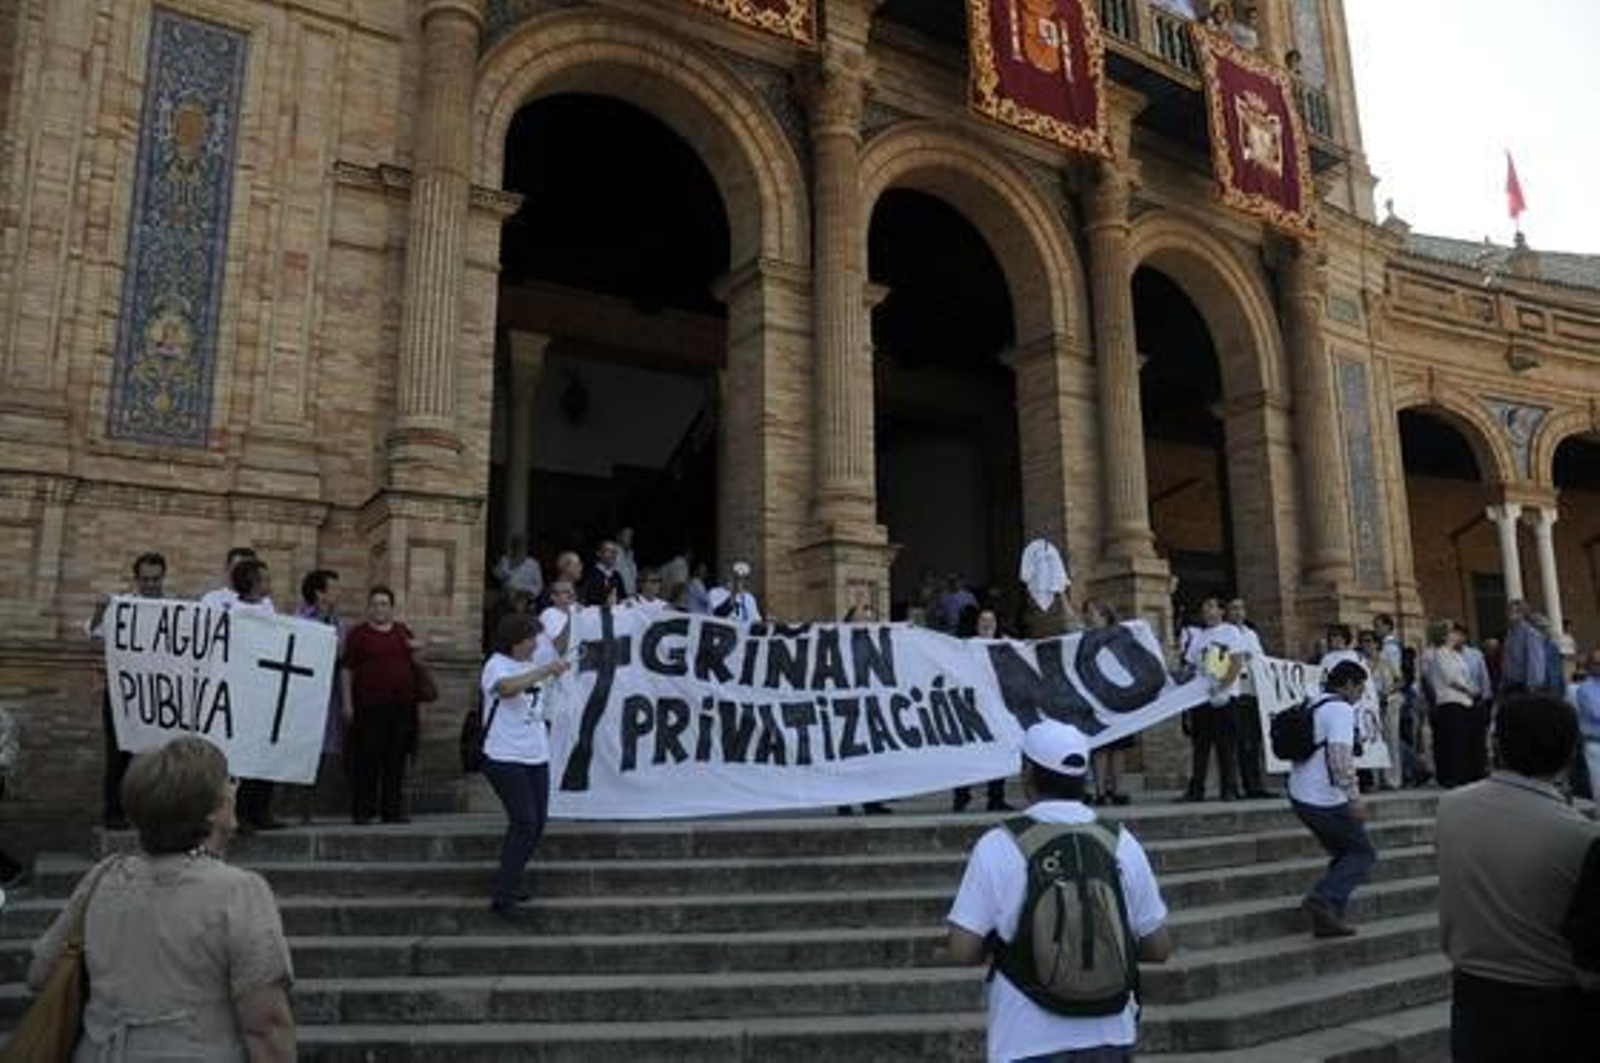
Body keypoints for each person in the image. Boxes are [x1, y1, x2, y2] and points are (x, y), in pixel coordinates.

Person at [26, 737, 295, 1060]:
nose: (235, 789)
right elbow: (267, 1025)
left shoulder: (103, 876)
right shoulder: (238, 891)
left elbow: (41, 973)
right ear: (210, 810)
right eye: (230, 780)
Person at [946, 720, 1172, 1062]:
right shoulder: (1121, 842)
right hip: (1111, 1034)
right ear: (1083, 779)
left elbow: (962, 949)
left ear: (1028, 774)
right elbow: (1158, 947)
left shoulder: (999, 844)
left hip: (1026, 1036)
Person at [1436, 693, 1600, 1061]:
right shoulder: (1581, 837)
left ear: (1496, 743)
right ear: (1569, 752)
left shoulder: (1450, 808)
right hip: (1555, 1009)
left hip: (1474, 1000)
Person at [480, 612, 571, 920]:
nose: (535, 643)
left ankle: (512, 878)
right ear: (516, 640)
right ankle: (504, 895)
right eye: (531, 637)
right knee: (524, 821)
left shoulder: (534, 664)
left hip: (536, 754)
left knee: (538, 822)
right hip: (504, 755)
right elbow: (506, 689)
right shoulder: (496, 664)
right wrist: (545, 670)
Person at [1289, 659, 1377, 938]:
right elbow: (1340, 758)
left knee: (1344, 852)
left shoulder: (1314, 702)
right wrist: (1354, 797)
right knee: (1363, 852)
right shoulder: (1340, 709)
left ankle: (1328, 919)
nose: (1362, 693)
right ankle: (1322, 899)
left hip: (1301, 792)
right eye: (1360, 687)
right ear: (1349, 684)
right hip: (1324, 797)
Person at [89, 550, 168, 829]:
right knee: (118, 754)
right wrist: (101, 608)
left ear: (163, 578)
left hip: (159, 695)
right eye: (145, 579)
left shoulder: (172, 609)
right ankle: (114, 813)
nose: (150, 584)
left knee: (157, 757)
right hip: (122, 694)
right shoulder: (121, 607)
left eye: (155, 579)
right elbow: (93, 632)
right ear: (136, 579)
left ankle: (152, 814)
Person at [340, 586, 422, 824]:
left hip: (402, 706)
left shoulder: (402, 631)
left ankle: (392, 811)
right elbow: (346, 669)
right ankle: (364, 811)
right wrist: (347, 703)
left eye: (384, 604)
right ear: (369, 607)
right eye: (375, 604)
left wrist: (418, 650)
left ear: (391, 608)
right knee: (368, 759)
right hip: (370, 706)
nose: (380, 608)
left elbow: (416, 664)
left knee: (396, 759)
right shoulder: (358, 634)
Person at [228, 558, 283, 832]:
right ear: (252, 582)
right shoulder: (234, 611)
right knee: (243, 759)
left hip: (267, 692)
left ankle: (262, 811)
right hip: (242, 695)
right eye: (265, 579)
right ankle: (240, 814)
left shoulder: (268, 609)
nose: (269, 584)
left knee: (266, 754)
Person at [290, 569, 346, 823]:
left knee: (325, 751)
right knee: (304, 748)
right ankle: (300, 805)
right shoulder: (300, 620)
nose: (337, 593)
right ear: (319, 593)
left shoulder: (338, 623)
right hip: (306, 695)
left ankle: (312, 806)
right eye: (332, 588)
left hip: (330, 694)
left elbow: (342, 657)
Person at [1182, 596, 1248, 801]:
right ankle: (1196, 789)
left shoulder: (1230, 632)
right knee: (1201, 746)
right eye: (1204, 607)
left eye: (1211, 606)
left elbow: (1236, 662)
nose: (1207, 611)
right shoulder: (1199, 636)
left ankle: (1229, 788)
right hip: (1202, 698)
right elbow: (1191, 665)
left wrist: (1222, 687)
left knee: (1226, 745)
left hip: (1226, 697)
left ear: (1221, 611)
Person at [952, 607, 1017, 814]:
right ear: (977, 624)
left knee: (1000, 752)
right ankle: (961, 796)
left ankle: (996, 798)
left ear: (996, 624)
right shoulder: (967, 646)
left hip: (997, 709)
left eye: (991, 620)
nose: (987, 623)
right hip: (973, 708)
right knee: (968, 753)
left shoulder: (1004, 646)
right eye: (983, 620)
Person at [837, 602, 895, 817]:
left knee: (874, 757)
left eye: (870, 618)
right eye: (862, 617)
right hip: (847, 706)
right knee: (848, 756)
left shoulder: (879, 640)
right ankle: (845, 802)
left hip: (873, 706)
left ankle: (872, 802)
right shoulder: (838, 640)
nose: (867, 622)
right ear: (850, 620)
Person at [1085, 600, 1137, 806]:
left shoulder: (1120, 636)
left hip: (1119, 698)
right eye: (1087, 613)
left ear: (1105, 616)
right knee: (1099, 746)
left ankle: (1116, 789)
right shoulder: (1084, 638)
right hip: (1097, 698)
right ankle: (1100, 791)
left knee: (1118, 748)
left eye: (1093, 612)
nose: (1089, 616)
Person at [1225, 596, 1274, 798]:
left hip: (1252, 692)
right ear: (1227, 612)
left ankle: (1256, 785)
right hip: (1233, 693)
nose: (1238, 612)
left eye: (1241, 608)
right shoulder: (1223, 633)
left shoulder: (1251, 634)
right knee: (1236, 742)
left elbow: (1260, 659)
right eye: (1234, 608)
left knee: (1253, 742)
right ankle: (1235, 786)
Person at [1423, 621, 1480, 788]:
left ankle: (1464, 775)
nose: (1456, 635)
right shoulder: (1441, 653)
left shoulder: (1456, 654)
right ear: (1445, 635)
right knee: (1452, 741)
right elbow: (1450, 678)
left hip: (1464, 702)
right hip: (1450, 701)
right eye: (1452, 632)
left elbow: (1466, 674)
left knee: (1462, 741)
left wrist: (1471, 689)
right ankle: (1452, 776)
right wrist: (1468, 690)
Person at [1501, 599, 1548, 695]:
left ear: (1522, 614)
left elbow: (1535, 660)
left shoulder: (1530, 633)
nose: (1510, 614)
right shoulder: (1510, 634)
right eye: (1509, 611)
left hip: (1525, 685)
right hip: (1511, 683)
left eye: (1514, 611)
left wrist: (1532, 685)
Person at [1575, 649, 1600, 819]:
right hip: (1596, 745)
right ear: (1590, 666)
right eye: (1597, 663)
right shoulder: (1585, 688)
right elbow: (1597, 713)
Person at [494, 535, 544, 602]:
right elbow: (499, 576)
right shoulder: (505, 560)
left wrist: (527, 593)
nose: (520, 550)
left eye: (523, 548)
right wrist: (511, 566)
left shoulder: (533, 563)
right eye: (517, 548)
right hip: (509, 596)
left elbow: (539, 586)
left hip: (526, 596)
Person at [579, 539, 626, 607]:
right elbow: (586, 600)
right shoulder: (589, 575)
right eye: (608, 550)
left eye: (614, 552)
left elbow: (623, 598)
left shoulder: (617, 575)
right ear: (598, 553)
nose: (612, 554)